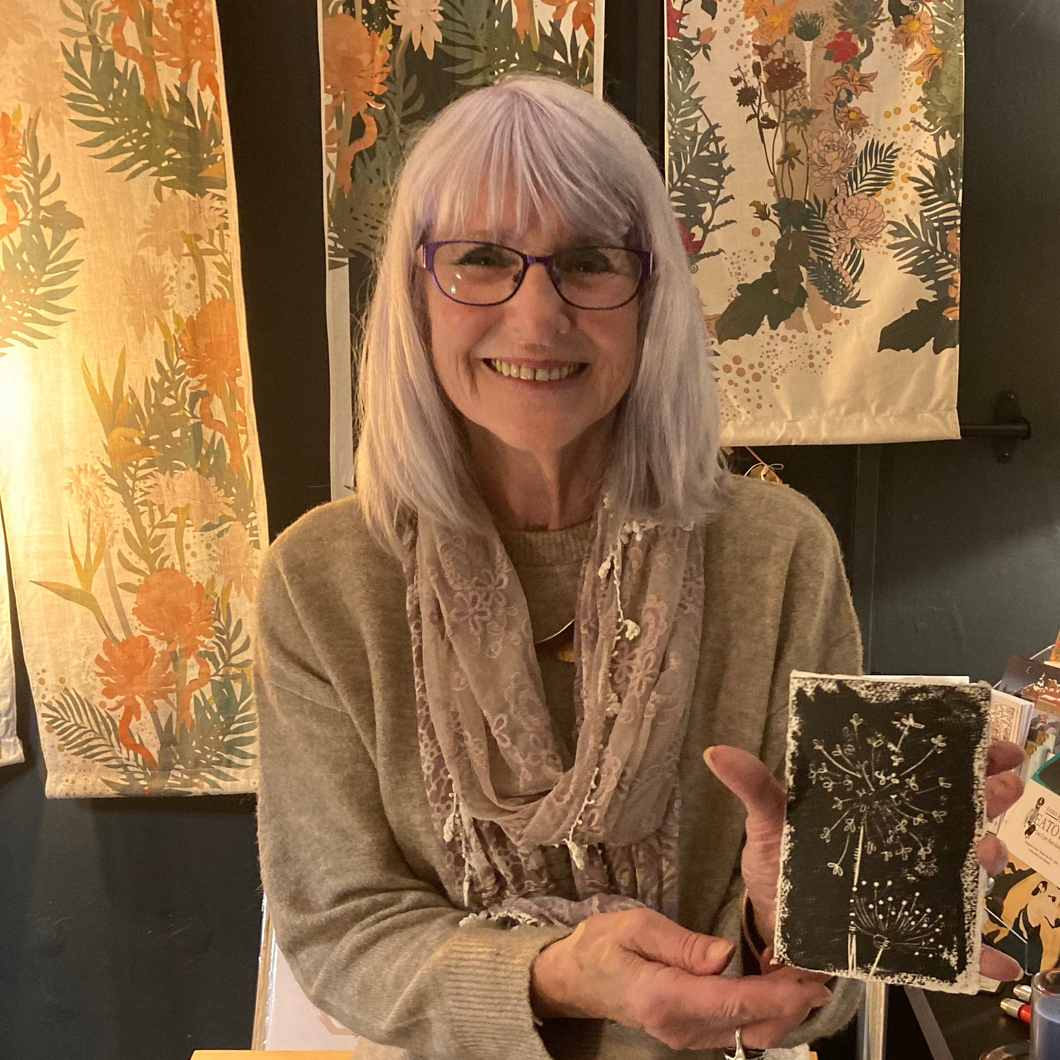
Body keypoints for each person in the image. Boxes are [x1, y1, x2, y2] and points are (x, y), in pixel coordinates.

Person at [254, 75, 1023, 1060]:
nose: (535, 321)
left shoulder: (779, 550)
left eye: (587, 261)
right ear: (415, 294)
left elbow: (822, 987)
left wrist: (794, 925)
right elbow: (340, 925)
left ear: (650, 295)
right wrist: (557, 973)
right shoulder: (321, 580)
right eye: (483, 258)